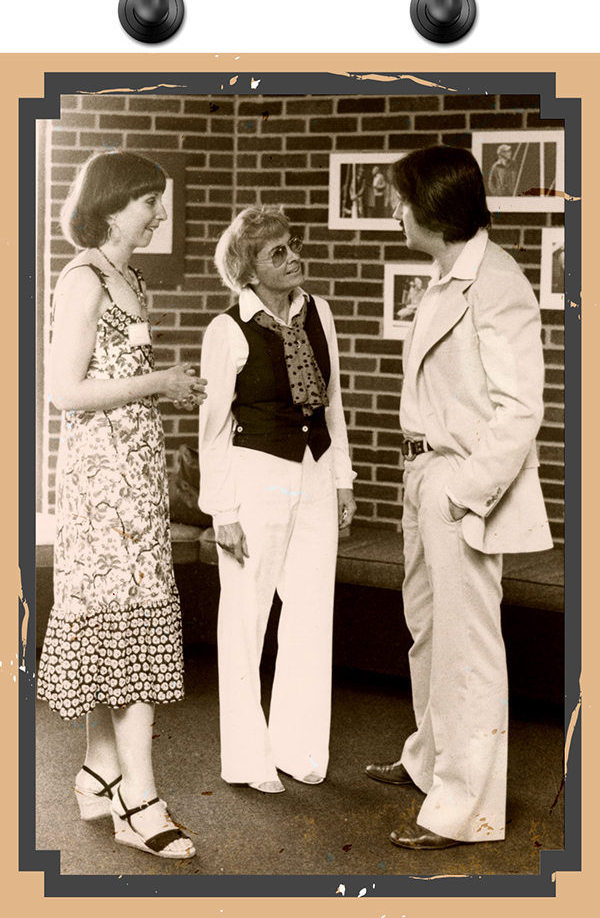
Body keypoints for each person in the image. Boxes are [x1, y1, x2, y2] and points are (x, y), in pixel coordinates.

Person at [365, 146, 552, 850]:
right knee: (428, 632)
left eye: (399, 198)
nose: (394, 210)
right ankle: (431, 762)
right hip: (425, 476)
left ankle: (465, 808)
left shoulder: (496, 282)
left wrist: (465, 494)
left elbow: (519, 408)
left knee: (466, 651)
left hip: (460, 481)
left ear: (431, 208)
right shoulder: (448, 274)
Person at [37, 151, 205, 860]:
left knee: (123, 625)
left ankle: (99, 771)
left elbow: (122, 375)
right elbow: (64, 391)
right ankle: (140, 800)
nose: (159, 213)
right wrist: (157, 381)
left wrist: (167, 387)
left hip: (134, 478)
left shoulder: (129, 278)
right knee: (125, 626)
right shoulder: (83, 280)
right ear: (113, 206)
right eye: (149, 201)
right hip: (99, 486)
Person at [199, 205, 356, 793]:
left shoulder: (319, 312)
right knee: (246, 618)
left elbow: (333, 403)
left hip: (314, 469)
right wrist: (224, 513)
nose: (294, 259)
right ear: (248, 270)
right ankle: (247, 758)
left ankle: (299, 749)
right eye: (277, 254)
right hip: (254, 476)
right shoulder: (228, 330)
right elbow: (212, 429)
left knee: (312, 613)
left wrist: (342, 479)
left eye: (293, 247)